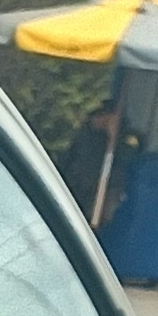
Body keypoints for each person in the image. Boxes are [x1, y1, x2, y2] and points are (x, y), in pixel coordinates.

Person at [59, 99, 123, 230]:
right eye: (99, 116)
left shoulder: (117, 141)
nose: (101, 120)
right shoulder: (85, 139)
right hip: (78, 201)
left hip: (93, 209)